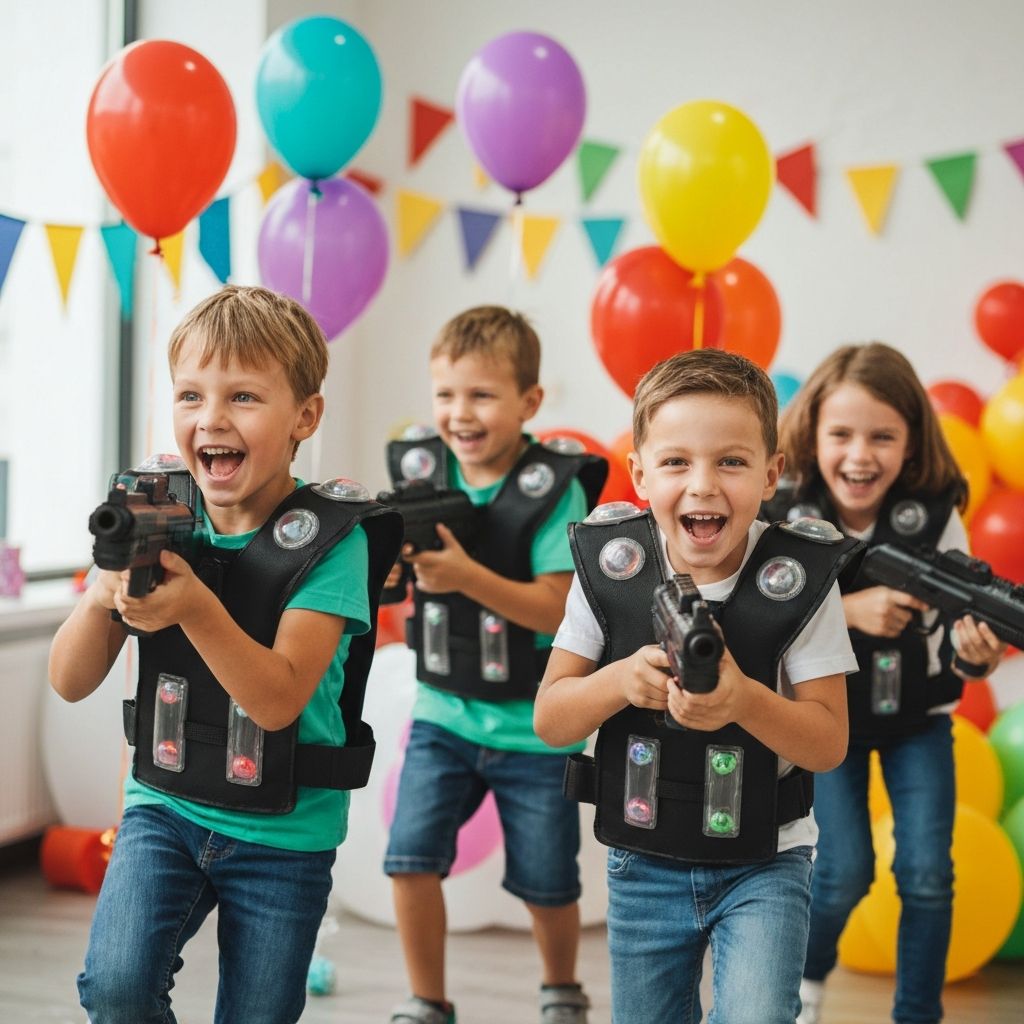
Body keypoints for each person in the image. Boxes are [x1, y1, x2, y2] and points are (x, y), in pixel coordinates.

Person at [49, 285, 401, 1024]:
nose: (210, 418)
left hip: (285, 833)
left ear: (305, 415)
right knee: (115, 986)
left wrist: (194, 608)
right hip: (165, 809)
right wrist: (102, 593)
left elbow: (276, 700)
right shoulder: (153, 514)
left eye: (242, 396)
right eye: (189, 395)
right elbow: (69, 679)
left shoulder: (335, 542)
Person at [535, 348, 864, 1024]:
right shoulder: (610, 568)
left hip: (768, 859)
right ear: (640, 472)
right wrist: (622, 681)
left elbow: (828, 742)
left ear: (772, 472)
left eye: (732, 461)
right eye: (677, 461)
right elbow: (552, 719)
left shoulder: (800, 576)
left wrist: (745, 700)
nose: (703, 485)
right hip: (643, 861)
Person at [768, 343, 1006, 1024]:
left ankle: (917, 1013)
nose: (859, 455)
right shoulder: (786, 513)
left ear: (911, 443)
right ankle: (804, 984)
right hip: (824, 722)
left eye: (882, 437)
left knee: (928, 877)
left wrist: (977, 658)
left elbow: (961, 643)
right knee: (843, 873)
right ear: (813, 434)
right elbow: (759, 618)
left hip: (918, 724)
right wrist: (844, 612)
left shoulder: (935, 516)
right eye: (841, 435)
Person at [382, 306, 608, 1024]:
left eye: (481, 395)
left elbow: (555, 609)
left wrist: (463, 577)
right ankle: (427, 1000)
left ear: (529, 403)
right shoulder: (419, 469)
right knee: (410, 859)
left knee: (547, 881)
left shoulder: (555, 486)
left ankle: (561, 990)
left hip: (535, 729)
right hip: (441, 715)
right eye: (446, 395)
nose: (459, 413)